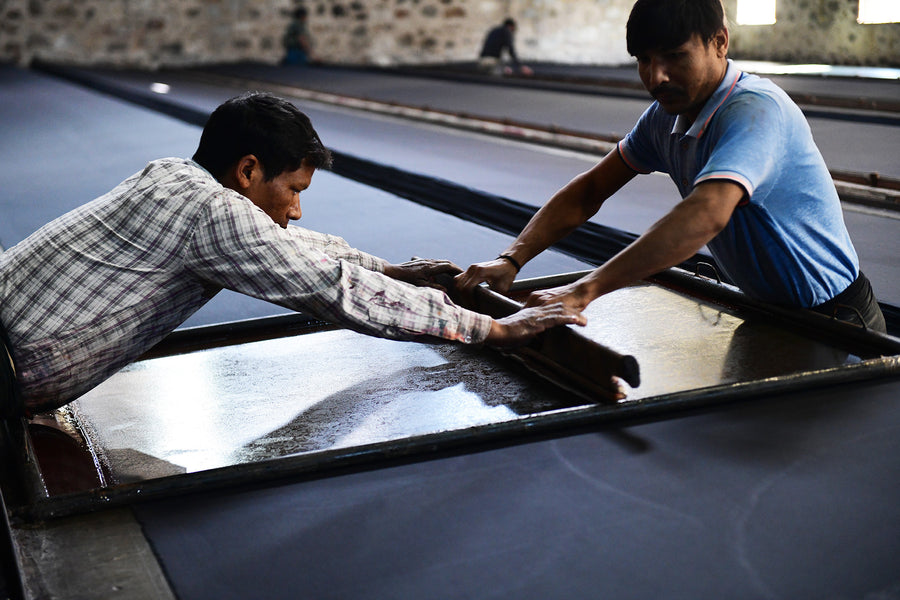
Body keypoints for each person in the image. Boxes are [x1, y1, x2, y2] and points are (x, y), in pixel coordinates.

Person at [0, 92, 585, 418]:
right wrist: (493, 328)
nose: (297, 210)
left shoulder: (174, 178)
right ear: (249, 170)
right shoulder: (214, 213)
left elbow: (288, 247)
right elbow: (332, 290)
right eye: (295, 191)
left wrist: (389, 269)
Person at [457, 0, 885, 334]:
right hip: (763, 309)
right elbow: (589, 191)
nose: (655, 76)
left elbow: (707, 213)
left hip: (839, 317)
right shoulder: (663, 118)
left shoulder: (755, 111)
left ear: (720, 42)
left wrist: (583, 292)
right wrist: (512, 260)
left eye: (675, 56)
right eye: (643, 60)